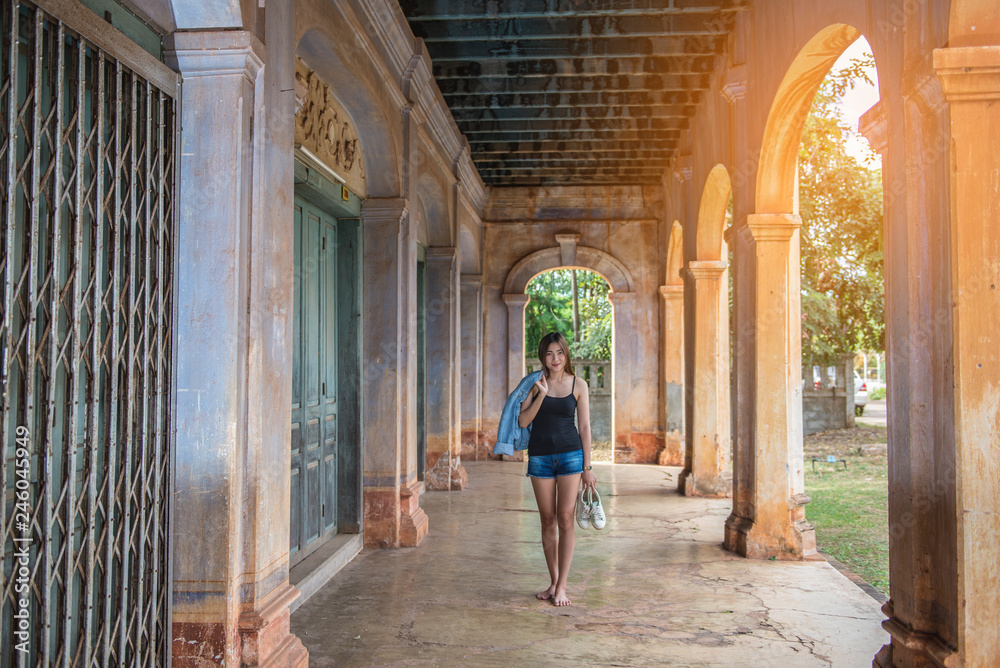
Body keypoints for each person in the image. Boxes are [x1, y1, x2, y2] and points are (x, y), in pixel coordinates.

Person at [518, 331, 597, 606]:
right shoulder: (533, 384)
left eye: (560, 353)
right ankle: (553, 581)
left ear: (566, 355)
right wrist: (541, 395)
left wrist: (588, 466)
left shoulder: (579, 384)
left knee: (565, 518)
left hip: (571, 457)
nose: (555, 358)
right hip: (539, 457)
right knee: (548, 520)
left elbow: (585, 428)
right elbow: (523, 422)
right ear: (543, 356)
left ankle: (563, 585)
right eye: (550, 353)